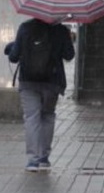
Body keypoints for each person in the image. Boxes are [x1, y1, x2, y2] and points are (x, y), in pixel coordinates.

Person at [6, 17, 75, 172]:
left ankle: (33, 160)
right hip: (53, 82)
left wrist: (12, 47)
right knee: (48, 115)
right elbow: (69, 55)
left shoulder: (25, 27)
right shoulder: (61, 30)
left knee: (31, 117)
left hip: (28, 81)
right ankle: (44, 156)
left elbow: (13, 56)